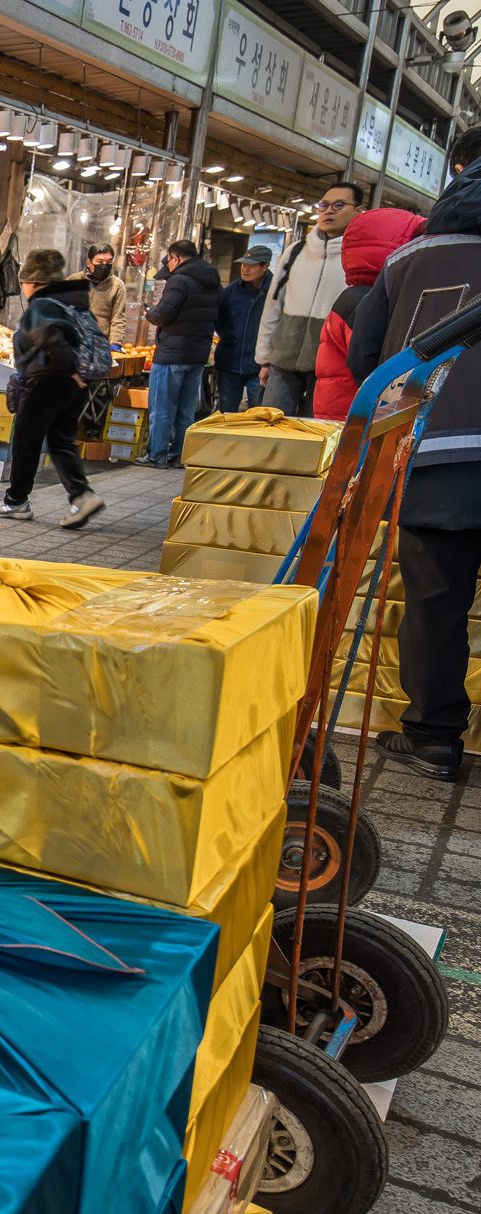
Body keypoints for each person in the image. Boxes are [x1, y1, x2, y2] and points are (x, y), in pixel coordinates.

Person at [346, 127, 481, 780]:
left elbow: (367, 359)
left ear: (456, 170)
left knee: (436, 602)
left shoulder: (411, 257)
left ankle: (434, 739)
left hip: (437, 455)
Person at [0, 249, 104, 528]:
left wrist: (68, 368)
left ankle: (16, 501)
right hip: (75, 385)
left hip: (45, 382)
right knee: (61, 441)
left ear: (34, 281)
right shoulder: (74, 304)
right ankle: (82, 495)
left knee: (26, 442)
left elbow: (50, 338)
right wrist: (75, 373)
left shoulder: (42, 306)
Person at [257, 182, 363, 414]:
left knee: (316, 430)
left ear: (358, 211)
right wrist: (264, 359)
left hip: (332, 368)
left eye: (338, 205)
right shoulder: (296, 251)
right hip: (283, 360)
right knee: (270, 427)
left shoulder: (359, 256)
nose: (328, 211)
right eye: (324, 205)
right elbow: (273, 305)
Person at [312, 209, 424, 419]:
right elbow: (369, 365)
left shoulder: (359, 296)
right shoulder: (362, 301)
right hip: (352, 420)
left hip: (347, 415)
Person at [142, 239, 222, 468]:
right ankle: (178, 455)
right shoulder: (213, 280)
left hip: (172, 355)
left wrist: (150, 313)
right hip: (197, 355)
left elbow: (162, 314)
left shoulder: (179, 280)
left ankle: (156, 455)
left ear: (175, 258)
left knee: (162, 408)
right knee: (186, 410)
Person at [214, 247, 272, 413]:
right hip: (229, 363)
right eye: (244, 265)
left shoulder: (275, 292)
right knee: (226, 415)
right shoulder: (230, 292)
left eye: (252, 266)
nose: (246, 269)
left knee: (258, 416)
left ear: (265, 266)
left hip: (260, 367)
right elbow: (219, 322)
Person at [73, 244, 129, 344]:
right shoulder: (73, 281)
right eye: (100, 262)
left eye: (108, 262)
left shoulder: (117, 285)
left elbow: (118, 318)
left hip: (100, 343)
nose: (104, 265)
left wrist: (115, 343)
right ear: (89, 262)